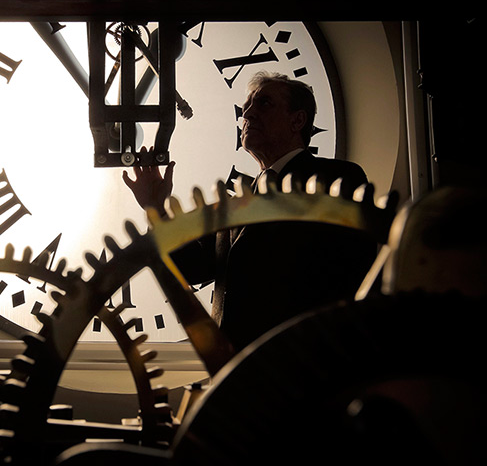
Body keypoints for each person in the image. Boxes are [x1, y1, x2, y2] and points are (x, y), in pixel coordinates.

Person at [123, 71, 375, 350]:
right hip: (236, 376)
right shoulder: (234, 206)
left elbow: (350, 274)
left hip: (306, 370)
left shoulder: (337, 179)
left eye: (264, 103)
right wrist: (155, 209)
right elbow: (190, 269)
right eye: (247, 106)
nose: (248, 113)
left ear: (298, 120)